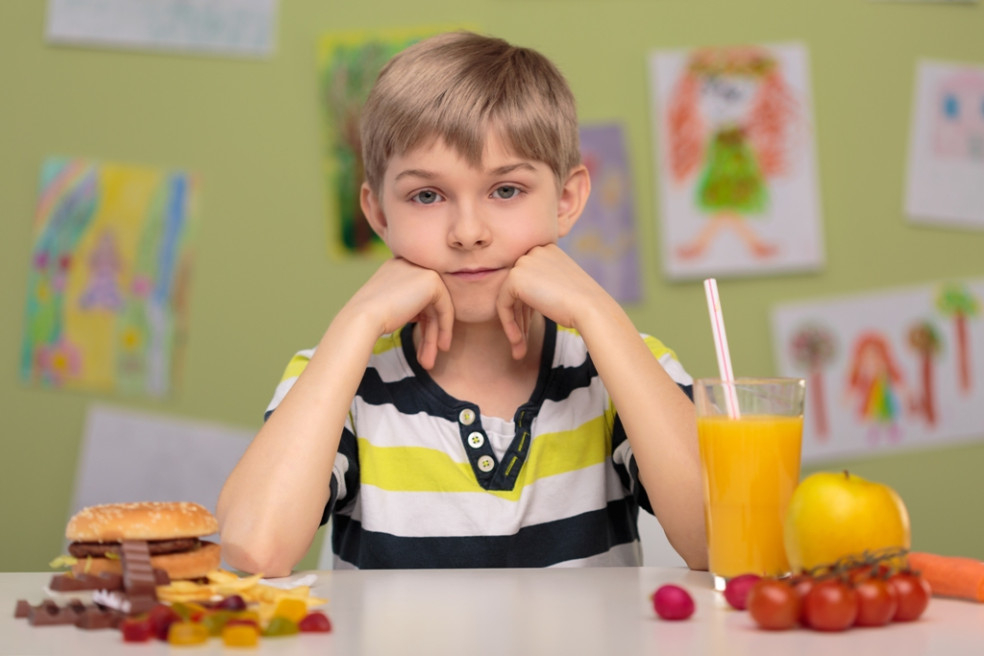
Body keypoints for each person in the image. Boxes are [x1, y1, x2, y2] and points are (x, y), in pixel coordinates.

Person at [217, 31, 707, 575]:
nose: (468, 232)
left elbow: (721, 538)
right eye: (427, 196)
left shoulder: (622, 365)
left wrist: (597, 311)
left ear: (566, 201)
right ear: (379, 215)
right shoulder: (339, 377)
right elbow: (253, 549)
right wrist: (358, 320)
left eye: (506, 191)